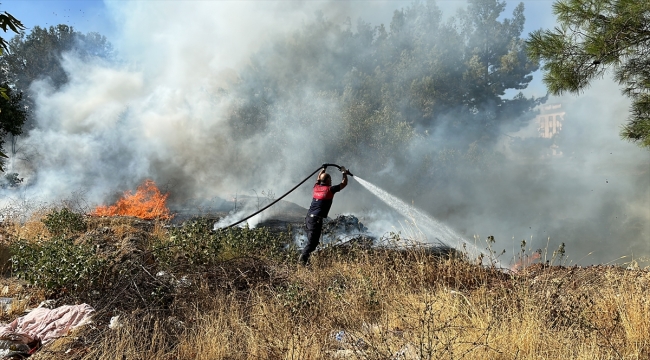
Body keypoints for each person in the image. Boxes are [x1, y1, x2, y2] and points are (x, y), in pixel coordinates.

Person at [299, 165, 349, 265]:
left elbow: (318, 178)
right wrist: (344, 173)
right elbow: (344, 184)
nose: (331, 181)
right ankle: (302, 263)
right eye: (330, 179)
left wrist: (323, 169)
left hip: (309, 218)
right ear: (327, 181)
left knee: (312, 242)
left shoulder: (316, 187)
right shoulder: (330, 189)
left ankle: (305, 261)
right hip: (316, 220)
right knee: (312, 244)